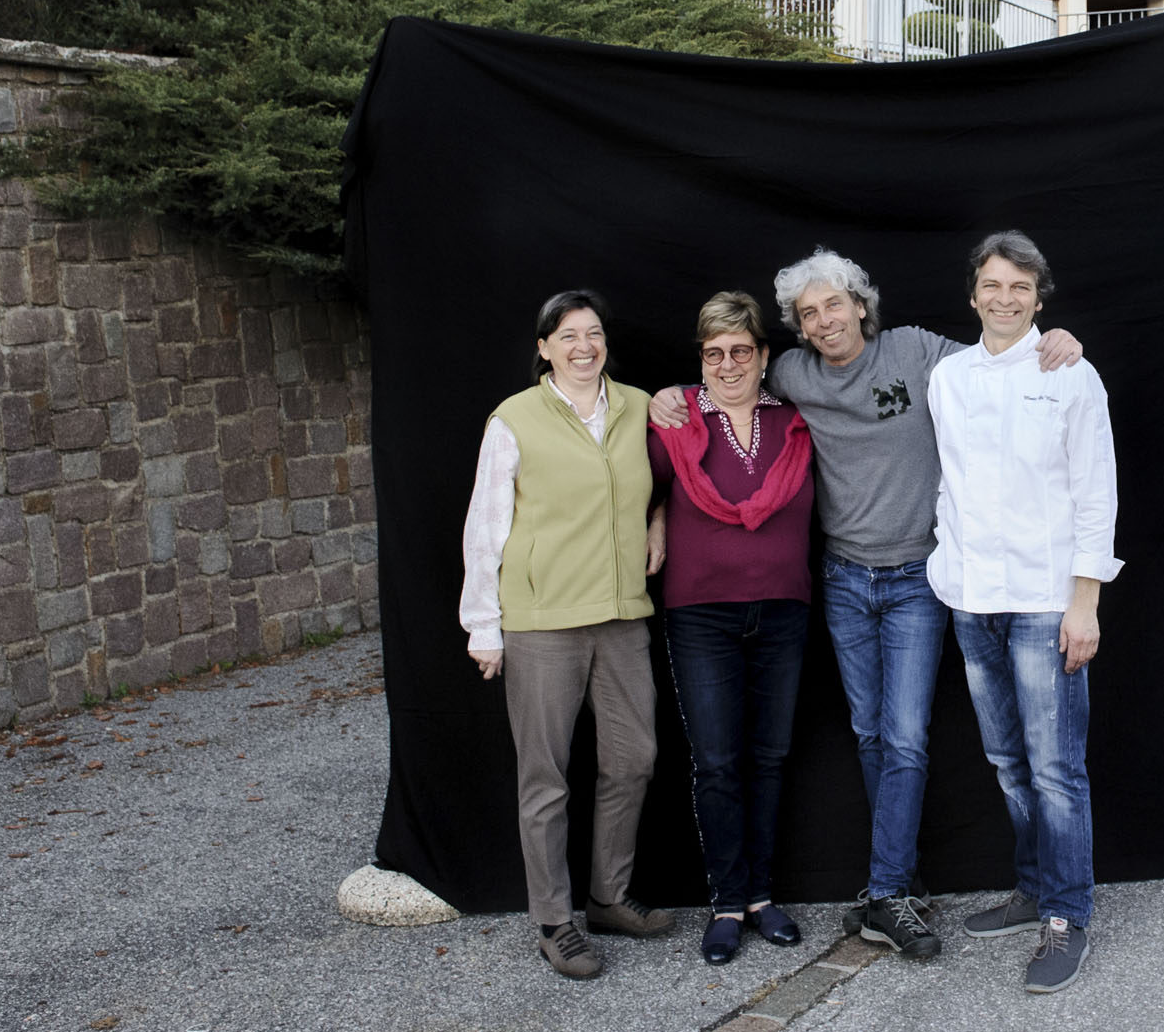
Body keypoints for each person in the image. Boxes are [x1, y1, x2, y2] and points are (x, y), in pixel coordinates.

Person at [649, 249, 1080, 961]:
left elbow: (996, 356)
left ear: (859, 303)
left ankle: (882, 893)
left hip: (917, 578)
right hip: (845, 581)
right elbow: (717, 387)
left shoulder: (914, 351)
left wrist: (1053, 340)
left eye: (834, 304)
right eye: (808, 313)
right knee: (872, 736)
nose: (824, 321)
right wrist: (665, 397)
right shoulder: (791, 375)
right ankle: (899, 883)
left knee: (905, 736)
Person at [458, 288, 676, 981]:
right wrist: (482, 626)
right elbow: (484, 525)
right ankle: (555, 920)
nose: (585, 346)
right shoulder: (514, 419)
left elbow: (663, 475)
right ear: (545, 347)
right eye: (568, 335)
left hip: (619, 614)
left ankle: (608, 896)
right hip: (542, 619)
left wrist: (658, 518)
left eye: (594, 333)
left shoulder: (640, 405)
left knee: (634, 758)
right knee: (546, 777)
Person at [928, 232, 1120, 995]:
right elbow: (950, 479)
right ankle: (1035, 885)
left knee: (1056, 770)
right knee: (1009, 762)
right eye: (992, 285)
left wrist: (1085, 601)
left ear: (1040, 298)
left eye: (1020, 287)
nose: (1005, 298)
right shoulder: (949, 376)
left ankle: (1067, 916)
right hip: (973, 602)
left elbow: (1095, 492)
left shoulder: (1071, 374)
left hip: (1047, 604)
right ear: (972, 293)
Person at [647, 292, 817, 966]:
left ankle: (760, 895)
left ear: (764, 355)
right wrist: (657, 510)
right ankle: (725, 899)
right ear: (701, 360)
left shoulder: (797, 422)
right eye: (713, 352)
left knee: (770, 756)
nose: (727, 363)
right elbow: (635, 483)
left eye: (740, 349)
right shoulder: (676, 420)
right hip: (701, 613)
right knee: (717, 761)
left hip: (784, 609)